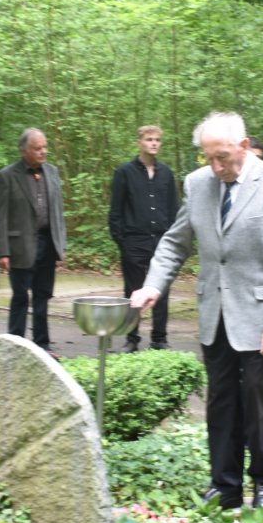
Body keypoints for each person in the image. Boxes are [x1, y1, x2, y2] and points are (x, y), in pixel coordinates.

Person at [130, 112, 263, 511]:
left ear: (243, 146)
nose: (215, 166)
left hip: (261, 316)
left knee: (260, 402)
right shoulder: (198, 184)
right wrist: (153, 285)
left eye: (221, 157)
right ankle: (224, 485)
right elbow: (175, 242)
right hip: (215, 313)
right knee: (220, 401)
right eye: (207, 158)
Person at [0, 128, 67, 353]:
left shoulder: (52, 172)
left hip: (47, 244)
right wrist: (2, 251)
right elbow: (0, 216)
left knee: (42, 296)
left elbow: (58, 211)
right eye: (37, 148)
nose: (43, 152)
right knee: (20, 297)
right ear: (23, 151)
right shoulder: (7, 176)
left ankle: (42, 345)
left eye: (45, 147)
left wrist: (61, 245)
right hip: (20, 247)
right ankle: (15, 346)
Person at [109, 125, 179, 353]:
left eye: (157, 139)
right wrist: (123, 242)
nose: (154, 143)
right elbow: (116, 211)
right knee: (133, 291)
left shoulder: (166, 174)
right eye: (149, 139)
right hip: (134, 241)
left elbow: (173, 209)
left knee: (161, 290)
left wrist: (171, 238)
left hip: (161, 241)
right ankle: (131, 338)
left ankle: (159, 339)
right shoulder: (124, 173)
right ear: (139, 142)